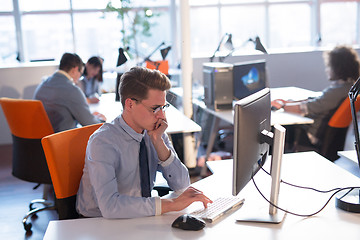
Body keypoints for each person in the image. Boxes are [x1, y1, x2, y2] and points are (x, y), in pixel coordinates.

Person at [76, 66, 212, 218]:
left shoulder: (154, 132)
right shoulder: (103, 142)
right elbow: (110, 206)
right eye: (155, 108)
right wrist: (171, 205)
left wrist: (159, 143)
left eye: (163, 107)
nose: (161, 116)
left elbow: (182, 184)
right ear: (130, 104)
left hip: (137, 216)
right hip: (97, 223)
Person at [272, 45, 360, 149]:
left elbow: (306, 107)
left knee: (277, 129)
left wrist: (282, 106)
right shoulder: (348, 88)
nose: (327, 70)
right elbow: (318, 99)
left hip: (312, 136)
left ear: (337, 68)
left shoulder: (336, 92)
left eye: (328, 66)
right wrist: (288, 103)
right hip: (329, 137)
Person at [34, 52, 106, 132]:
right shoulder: (72, 90)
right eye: (80, 73)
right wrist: (101, 120)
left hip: (42, 138)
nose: (79, 77)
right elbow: (90, 124)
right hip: (62, 139)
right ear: (75, 70)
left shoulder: (43, 84)